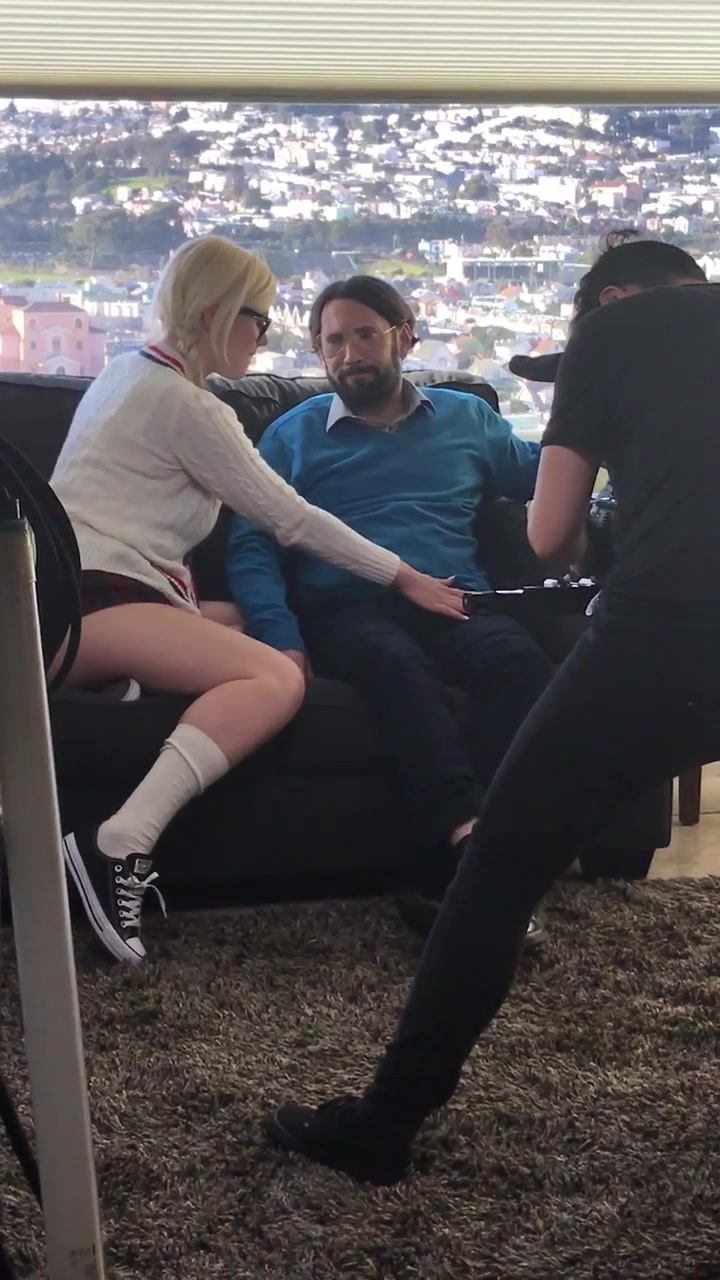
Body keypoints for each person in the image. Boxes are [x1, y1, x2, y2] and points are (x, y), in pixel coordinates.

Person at [264, 234, 718, 1185]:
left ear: (611, 300)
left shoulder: (607, 335)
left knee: (501, 868)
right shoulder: (296, 435)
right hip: (362, 612)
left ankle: (385, 1122)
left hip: (666, 633)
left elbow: (549, 532)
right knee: (408, 668)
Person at [51, 236, 468, 967]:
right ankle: (120, 841)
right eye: (260, 320)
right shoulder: (189, 406)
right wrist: (402, 576)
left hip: (65, 598)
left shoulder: (126, 372)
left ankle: (127, 684)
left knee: (249, 623)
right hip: (93, 604)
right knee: (277, 678)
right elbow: (293, 520)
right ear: (219, 314)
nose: (264, 338)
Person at [225, 275, 554, 943]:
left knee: (520, 664)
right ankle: (471, 851)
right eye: (333, 342)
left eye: (365, 335)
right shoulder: (291, 437)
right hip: (347, 609)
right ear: (319, 353)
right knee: (399, 672)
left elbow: (542, 475)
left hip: (455, 596)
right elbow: (250, 546)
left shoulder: (466, 418)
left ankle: (480, 857)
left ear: (404, 338)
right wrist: (279, 635)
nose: (350, 354)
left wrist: (601, 420)